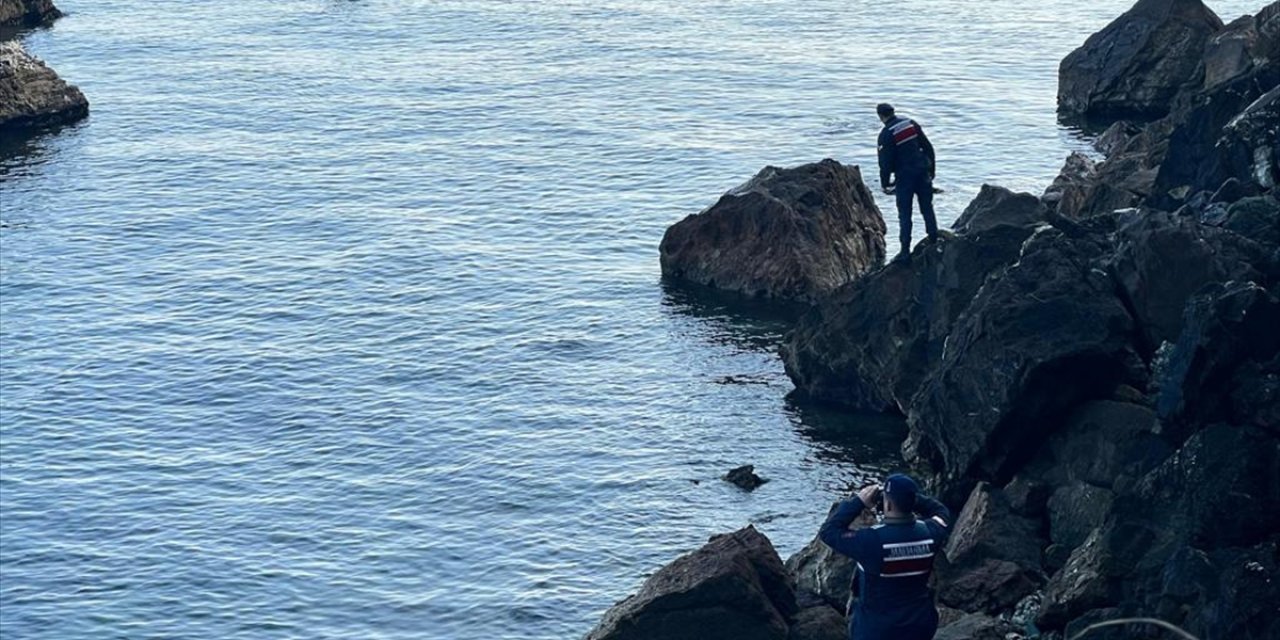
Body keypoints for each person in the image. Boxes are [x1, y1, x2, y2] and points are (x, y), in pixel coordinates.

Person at [819, 473, 951, 640]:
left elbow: (829, 531)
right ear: (913, 501)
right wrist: (909, 498)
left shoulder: (872, 541)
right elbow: (941, 512)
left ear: (887, 505)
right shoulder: (931, 532)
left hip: (876, 630)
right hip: (919, 625)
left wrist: (858, 501)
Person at [876, 103, 938, 262]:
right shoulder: (910, 123)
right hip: (922, 172)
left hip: (904, 178)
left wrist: (885, 184)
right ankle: (934, 239)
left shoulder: (886, 134)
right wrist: (932, 170)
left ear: (880, 116)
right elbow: (928, 147)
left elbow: (885, 164)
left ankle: (905, 251)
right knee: (927, 207)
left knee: (905, 214)